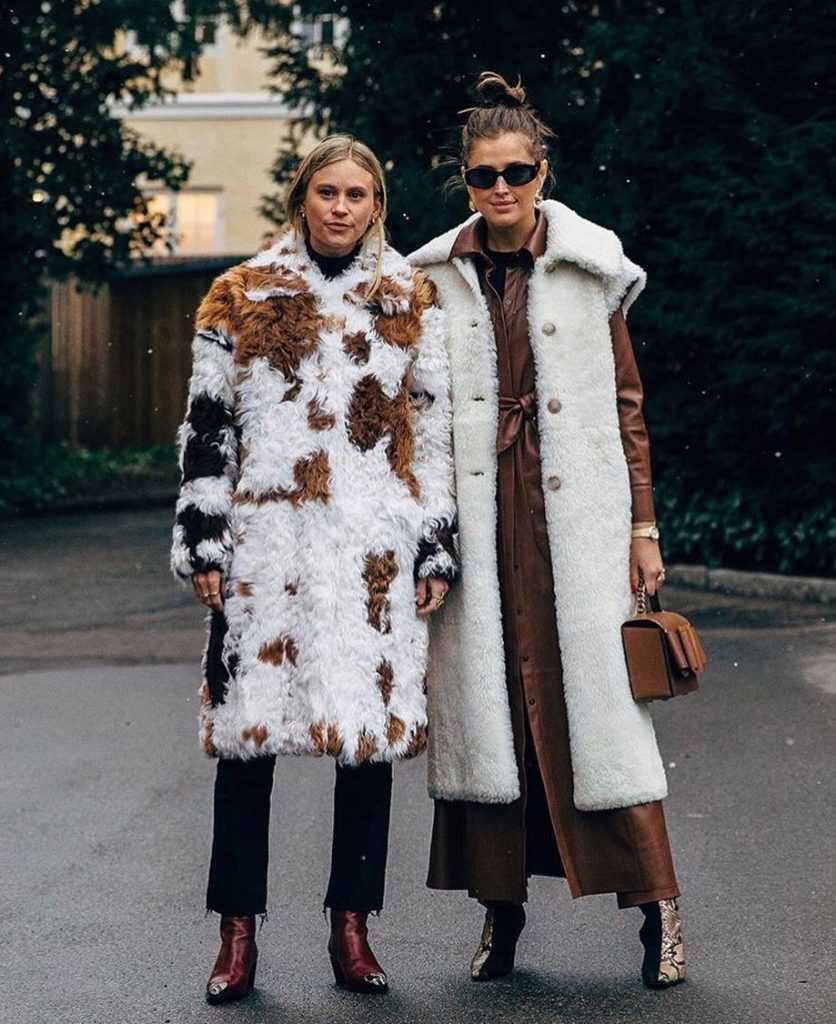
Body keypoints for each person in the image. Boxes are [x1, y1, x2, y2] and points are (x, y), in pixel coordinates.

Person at [408, 72, 685, 989]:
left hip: (578, 520)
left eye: (517, 172)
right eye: (483, 175)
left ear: (542, 173)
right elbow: (417, 415)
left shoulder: (590, 267)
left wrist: (643, 527)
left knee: (600, 716)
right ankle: (502, 917)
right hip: (482, 524)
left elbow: (628, 407)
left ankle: (660, 911)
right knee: (497, 718)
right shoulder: (431, 281)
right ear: (464, 179)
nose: (501, 188)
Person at [171, 134, 457, 1004]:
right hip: (267, 548)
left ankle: (352, 928)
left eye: (356, 195)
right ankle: (236, 934)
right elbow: (209, 423)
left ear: (376, 206)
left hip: (372, 549)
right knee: (247, 739)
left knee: (365, 741)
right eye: (327, 192)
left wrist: (434, 541)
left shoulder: (408, 297)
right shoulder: (242, 294)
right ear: (302, 199)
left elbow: (431, 433)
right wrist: (204, 536)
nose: (340, 207)